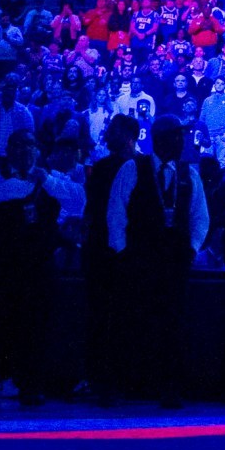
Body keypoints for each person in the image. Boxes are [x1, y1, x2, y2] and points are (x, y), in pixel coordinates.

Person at [0, 133, 64, 407]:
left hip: (36, 266)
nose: (22, 150)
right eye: (16, 145)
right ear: (7, 150)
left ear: (37, 150)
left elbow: (77, 199)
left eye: (28, 145)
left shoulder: (51, 177)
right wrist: (34, 181)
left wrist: (47, 181)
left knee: (33, 329)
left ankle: (30, 386)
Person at [124, 115, 209, 408]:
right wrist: (124, 251)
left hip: (175, 258)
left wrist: (192, 248)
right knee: (141, 318)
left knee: (174, 322)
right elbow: (117, 212)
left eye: (182, 136)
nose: (181, 141)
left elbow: (200, 217)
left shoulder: (189, 173)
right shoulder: (133, 168)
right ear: (160, 138)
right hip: (142, 256)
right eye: (176, 136)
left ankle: (170, 384)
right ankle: (139, 382)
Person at [80, 115, 140, 404]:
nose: (108, 134)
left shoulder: (116, 167)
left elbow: (93, 212)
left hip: (110, 250)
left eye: (114, 130)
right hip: (109, 251)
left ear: (128, 135)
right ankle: (110, 377)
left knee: (106, 316)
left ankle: (105, 377)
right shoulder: (110, 166)